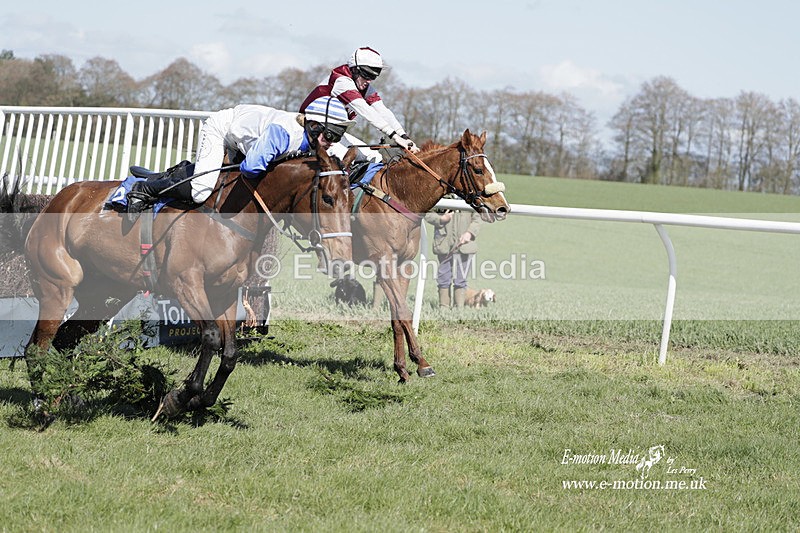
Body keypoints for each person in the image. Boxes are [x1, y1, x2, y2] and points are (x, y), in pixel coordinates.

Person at [126, 96, 354, 212]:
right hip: (222, 130)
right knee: (201, 191)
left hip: (246, 141)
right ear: (314, 126)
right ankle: (146, 188)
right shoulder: (282, 134)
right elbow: (250, 168)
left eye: (337, 136)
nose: (332, 142)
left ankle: (176, 174)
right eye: (331, 134)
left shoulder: (315, 139)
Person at [299, 46, 420, 163]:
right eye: (367, 75)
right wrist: (394, 136)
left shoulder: (363, 86)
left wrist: (404, 136)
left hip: (333, 132)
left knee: (374, 157)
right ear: (355, 70)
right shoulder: (342, 81)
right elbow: (366, 111)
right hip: (312, 131)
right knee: (353, 158)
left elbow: (382, 111)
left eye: (373, 76)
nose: (369, 81)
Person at [424, 205, 483, 308]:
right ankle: (444, 307)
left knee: (461, 279)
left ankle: (458, 308)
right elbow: (427, 212)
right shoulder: (441, 196)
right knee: (443, 277)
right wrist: (440, 219)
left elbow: (478, 217)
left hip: (465, 245)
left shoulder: (470, 197)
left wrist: (470, 233)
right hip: (444, 244)